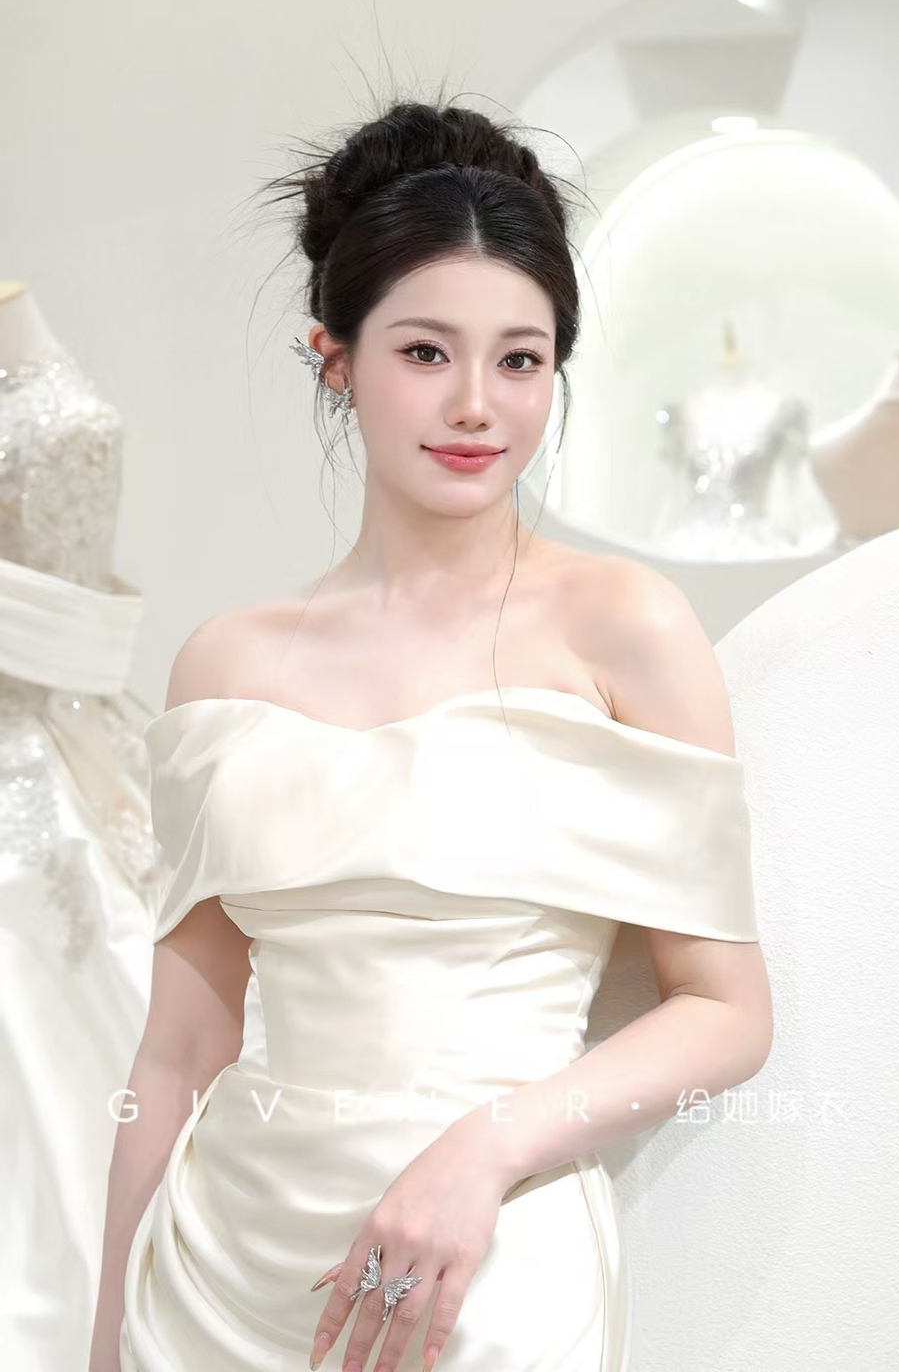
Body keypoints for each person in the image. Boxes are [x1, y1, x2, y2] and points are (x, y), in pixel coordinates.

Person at [89, 96, 772, 1372]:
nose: (474, 406)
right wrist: (103, 1343)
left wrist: (486, 1149)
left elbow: (727, 1013)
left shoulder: (623, 628)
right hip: (217, 1274)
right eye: (423, 352)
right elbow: (176, 1054)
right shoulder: (226, 664)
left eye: (521, 360)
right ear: (334, 359)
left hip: (491, 1262)